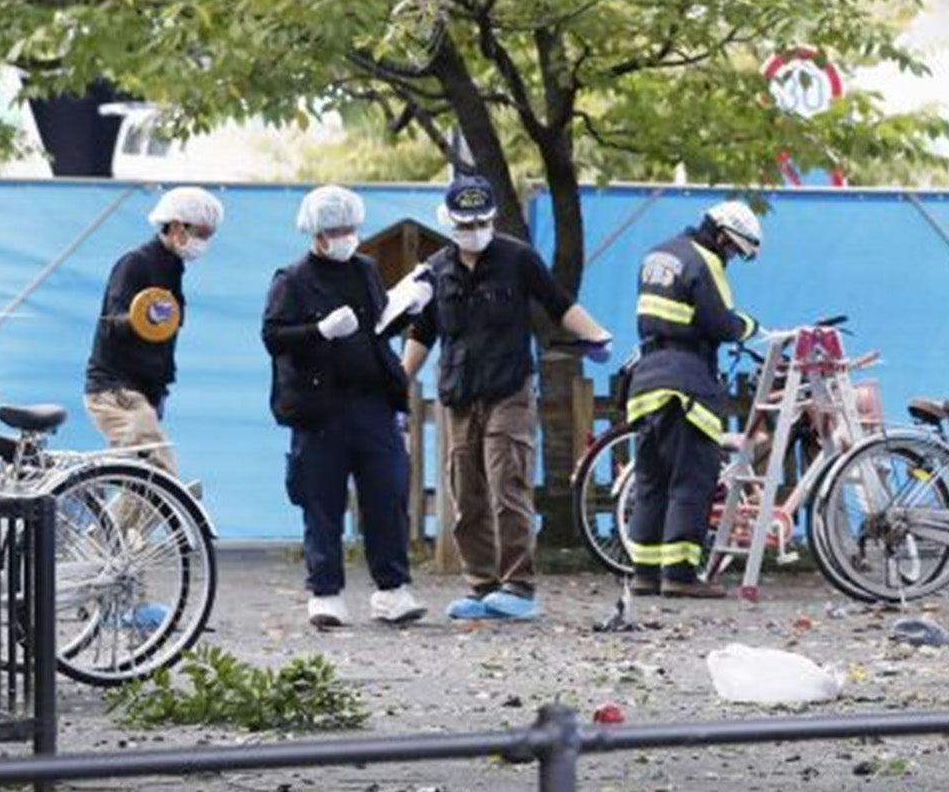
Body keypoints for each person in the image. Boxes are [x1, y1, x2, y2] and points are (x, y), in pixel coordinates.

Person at [391, 176, 610, 622]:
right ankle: (481, 585)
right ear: (449, 223)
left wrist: (594, 332)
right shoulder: (435, 270)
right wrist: (395, 387)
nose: (475, 230)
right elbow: (423, 332)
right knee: (465, 490)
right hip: (458, 393)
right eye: (465, 224)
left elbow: (557, 302)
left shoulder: (517, 258)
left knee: (506, 481)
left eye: (482, 221)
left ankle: (517, 585)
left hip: (508, 387)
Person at [263, 186, 425, 630]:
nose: (343, 237)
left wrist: (408, 310)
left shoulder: (366, 269)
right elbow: (274, 337)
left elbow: (378, 327)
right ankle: (325, 592)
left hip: (371, 402)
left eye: (349, 229)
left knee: (387, 495)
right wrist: (318, 331)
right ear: (314, 234)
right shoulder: (291, 279)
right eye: (334, 231)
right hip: (320, 408)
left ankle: (392, 589)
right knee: (321, 499)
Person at [624, 199, 765, 600]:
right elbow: (721, 324)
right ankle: (681, 575)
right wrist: (751, 327)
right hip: (685, 378)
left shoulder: (658, 254)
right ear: (722, 235)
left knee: (652, 479)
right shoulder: (704, 261)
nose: (733, 257)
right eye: (735, 249)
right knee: (692, 477)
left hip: (646, 376)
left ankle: (645, 573)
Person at [83, 186, 223, 476]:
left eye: (208, 236)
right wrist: (139, 318)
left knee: (141, 481)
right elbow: (112, 323)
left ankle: (113, 525)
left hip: (146, 392)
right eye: (199, 233)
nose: (202, 243)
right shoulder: (136, 263)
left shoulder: (172, 268)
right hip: (116, 390)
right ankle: (118, 524)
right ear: (174, 226)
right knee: (156, 473)